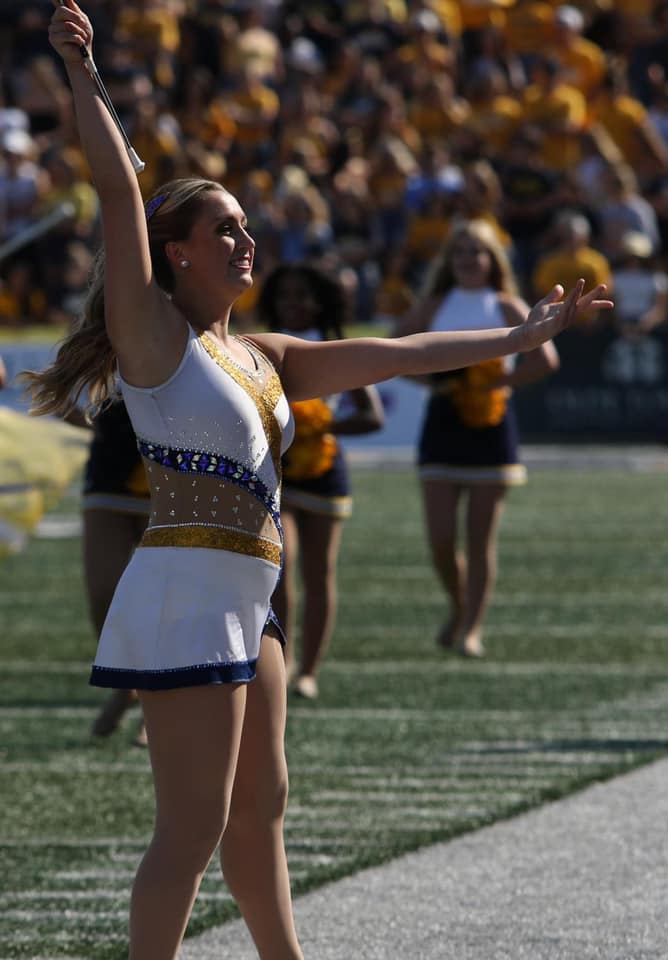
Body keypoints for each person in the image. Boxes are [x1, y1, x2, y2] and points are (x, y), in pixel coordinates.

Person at [22, 4, 612, 958]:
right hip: (184, 595)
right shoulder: (154, 336)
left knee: (263, 813)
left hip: (249, 602)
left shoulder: (264, 353)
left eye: (249, 227)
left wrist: (514, 335)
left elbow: (400, 351)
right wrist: (84, 74)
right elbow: (119, 193)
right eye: (225, 230)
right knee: (194, 828)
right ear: (177, 252)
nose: (247, 242)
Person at [394, 219, 560, 659]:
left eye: (478, 251)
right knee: (441, 537)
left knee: (480, 537)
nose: (469, 259)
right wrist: (434, 385)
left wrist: (498, 383)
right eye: (461, 252)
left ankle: (472, 627)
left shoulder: (505, 304)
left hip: (490, 425)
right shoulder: (434, 304)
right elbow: (391, 349)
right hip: (443, 423)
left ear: (493, 260)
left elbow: (546, 360)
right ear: (450, 261)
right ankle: (459, 602)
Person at [257, 262, 385, 700]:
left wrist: (322, 427)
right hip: (277, 473)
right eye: (285, 295)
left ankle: (309, 669)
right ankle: (284, 661)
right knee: (281, 565)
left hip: (325, 473)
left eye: (302, 295)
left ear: (321, 301)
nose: (292, 304)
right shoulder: (262, 348)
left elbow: (372, 415)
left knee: (319, 573)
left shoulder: (333, 347)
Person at [81, 399, 150, 746]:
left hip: (172, 466)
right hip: (109, 470)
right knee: (102, 593)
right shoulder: (99, 342)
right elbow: (68, 400)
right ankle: (124, 685)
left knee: (167, 597)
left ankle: (159, 705)